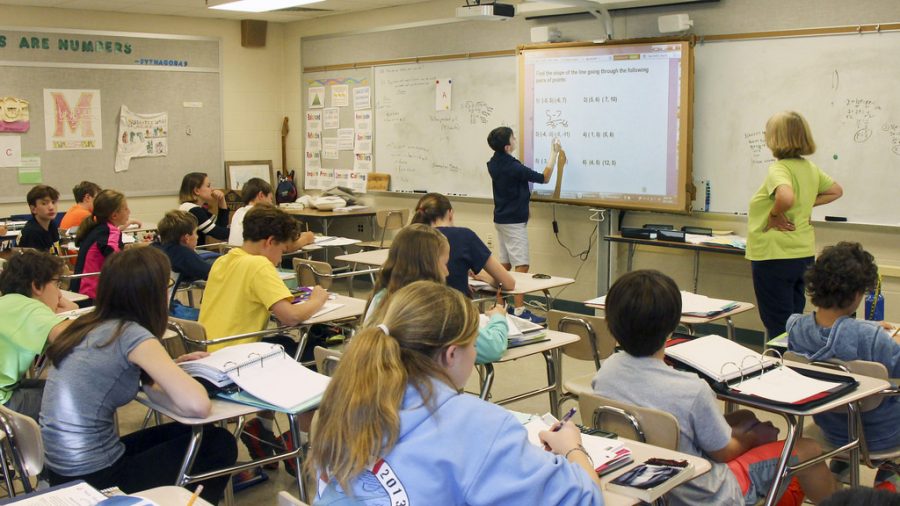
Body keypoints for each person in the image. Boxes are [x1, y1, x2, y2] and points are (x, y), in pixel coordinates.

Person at [310, 280, 604, 505]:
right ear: (451, 355)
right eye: (473, 344)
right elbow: (585, 498)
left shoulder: (344, 402)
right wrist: (572, 449)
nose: (476, 353)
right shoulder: (480, 427)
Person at [592, 270, 837, 505]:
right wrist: (753, 438)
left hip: (642, 486)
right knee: (809, 448)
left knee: (745, 416)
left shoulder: (606, 373)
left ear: (610, 322)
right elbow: (724, 454)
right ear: (673, 325)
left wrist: (743, 428)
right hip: (707, 494)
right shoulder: (691, 390)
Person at [39, 247, 237, 504]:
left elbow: (119, 375)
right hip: (96, 477)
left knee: (193, 435)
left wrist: (166, 366)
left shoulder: (89, 324)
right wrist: (169, 373)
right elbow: (198, 406)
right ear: (152, 294)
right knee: (218, 443)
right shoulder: (131, 334)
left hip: (61, 471)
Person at [199, 204, 327, 471]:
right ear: (269, 242)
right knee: (308, 355)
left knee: (284, 348)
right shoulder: (258, 265)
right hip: (237, 365)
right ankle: (298, 442)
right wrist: (317, 299)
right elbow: (289, 317)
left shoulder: (225, 258)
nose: (280, 259)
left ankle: (262, 428)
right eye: (281, 250)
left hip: (208, 359)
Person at [786, 241, 900, 491]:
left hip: (831, 427)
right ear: (858, 294)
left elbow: (832, 334)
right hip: (882, 434)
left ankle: (843, 462)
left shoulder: (796, 329)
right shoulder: (871, 338)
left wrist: (868, 329)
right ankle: (889, 478)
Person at [746, 111, 843, 338]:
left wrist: (774, 214)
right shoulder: (809, 168)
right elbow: (836, 191)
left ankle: (780, 369)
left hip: (773, 256)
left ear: (775, 138)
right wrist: (807, 204)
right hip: (802, 255)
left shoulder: (779, 169)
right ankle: (793, 366)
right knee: (794, 323)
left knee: (778, 327)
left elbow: (786, 197)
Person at [364, 223, 509, 365]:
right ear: (429, 267)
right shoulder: (438, 310)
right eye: (445, 264)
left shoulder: (380, 297)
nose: (447, 272)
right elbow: (492, 348)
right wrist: (498, 318)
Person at [486, 127, 566, 323]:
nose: (516, 139)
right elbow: (544, 177)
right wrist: (554, 154)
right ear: (507, 146)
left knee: (504, 264)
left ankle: (500, 305)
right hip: (513, 222)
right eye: (513, 138)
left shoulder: (493, 163)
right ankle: (520, 310)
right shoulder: (513, 167)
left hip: (502, 219)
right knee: (522, 265)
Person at [0, 250, 76, 421]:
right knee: (78, 395)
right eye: (57, 284)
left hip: (5, 391)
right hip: (3, 405)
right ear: (37, 286)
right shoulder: (30, 308)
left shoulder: (8, 303)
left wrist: (68, 311)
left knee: (54, 387)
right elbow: (69, 338)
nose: (60, 294)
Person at [411, 192, 515, 297]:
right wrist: (484, 277)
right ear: (450, 214)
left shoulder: (408, 237)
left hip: (414, 308)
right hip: (455, 308)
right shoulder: (464, 236)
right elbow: (508, 283)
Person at [70, 190, 131, 299]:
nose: (129, 211)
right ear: (114, 215)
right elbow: (117, 263)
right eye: (125, 208)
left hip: (78, 290)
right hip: (91, 295)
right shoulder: (109, 232)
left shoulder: (97, 228)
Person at [153, 210, 210, 284]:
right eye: (195, 233)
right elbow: (211, 274)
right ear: (187, 238)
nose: (197, 237)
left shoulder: (154, 247)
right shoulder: (184, 255)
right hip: (164, 295)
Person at [178, 172, 230, 245]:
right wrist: (245, 231)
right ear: (196, 191)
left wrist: (222, 201)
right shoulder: (193, 210)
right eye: (208, 186)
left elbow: (221, 226)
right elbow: (220, 234)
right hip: (192, 253)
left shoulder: (193, 208)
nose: (212, 189)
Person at [18, 184, 62, 255]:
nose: (51, 207)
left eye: (53, 202)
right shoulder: (32, 232)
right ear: (33, 209)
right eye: (44, 203)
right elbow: (37, 265)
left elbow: (57, 253)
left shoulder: (52, 224)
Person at [229, 177, 273, 247]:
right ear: (261, 195)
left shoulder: (238, 212)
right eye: (271, 199)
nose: (271, 203)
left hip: (233, 255)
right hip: (250, 256)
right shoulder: (262, 214)